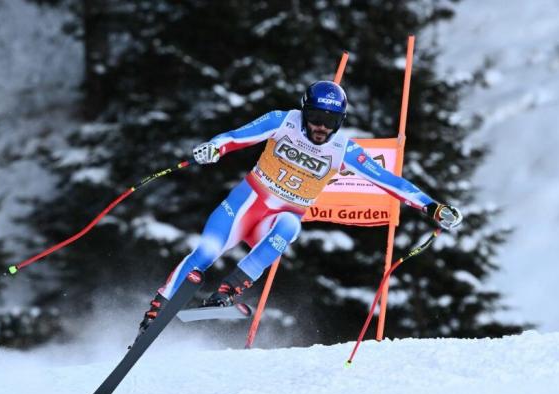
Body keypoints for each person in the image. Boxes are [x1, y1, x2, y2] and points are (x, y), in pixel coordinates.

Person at [137, 81, 462, 335]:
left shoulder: (342, 149)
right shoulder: (284, 121)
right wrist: (214, 148)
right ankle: (159, 305)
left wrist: (431, 207)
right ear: (305, 112)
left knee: (291, 227)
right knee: (206, 252)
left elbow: (390, 182)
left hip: (278, 218)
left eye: (331, 121)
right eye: (317, 118)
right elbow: (237, 137)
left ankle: (229, 289)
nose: (321, 127)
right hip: (246, 203)